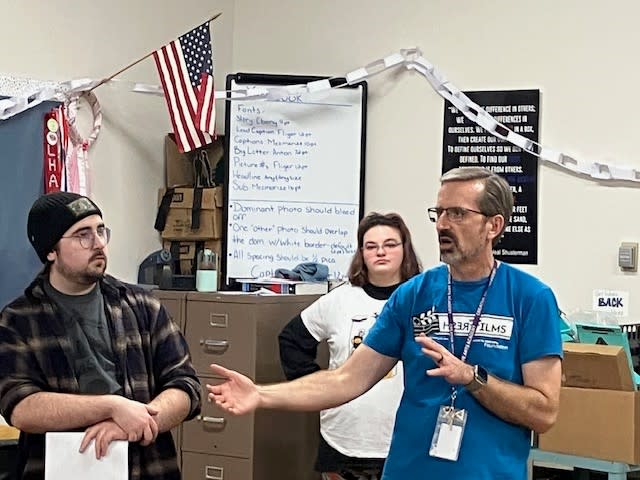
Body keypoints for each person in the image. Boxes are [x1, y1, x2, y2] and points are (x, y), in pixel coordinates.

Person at [207, 166, 563, 480]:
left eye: (457, 213)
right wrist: (261, 393)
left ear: (493, 225)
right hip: (409, 471)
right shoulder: (414, 295)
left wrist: (473, 378)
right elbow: (347, 379)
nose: (442, 224)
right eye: (438, 213)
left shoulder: (530, 298)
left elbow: (544, 412)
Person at [0, 192, 201, 480]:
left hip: (146, 466)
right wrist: (112, 406)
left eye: (100, 231)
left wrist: (134, 423)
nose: (98, 244)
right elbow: (21, 407)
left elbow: (185, 386)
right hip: (60, 467)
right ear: (50, 251)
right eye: (82, 235)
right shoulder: (18, 320)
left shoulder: (143, 306)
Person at [278, 212, 421, 480]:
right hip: (344, 441)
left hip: (405, 440)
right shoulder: (341, 299)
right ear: (361, 253)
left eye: (390, 244)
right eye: (371, 246)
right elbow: (291, 339)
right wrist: (320, 385)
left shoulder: (423, 298)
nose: (381, 252)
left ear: (405, 249)